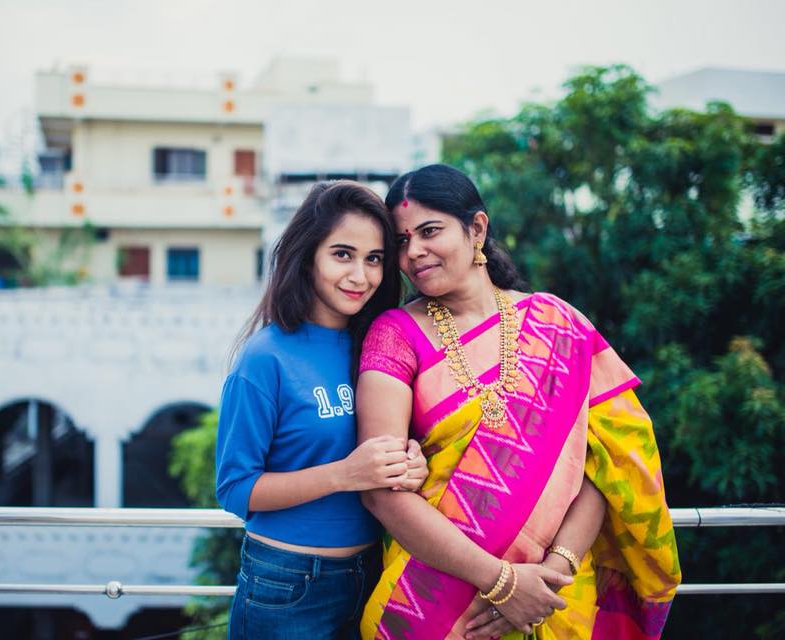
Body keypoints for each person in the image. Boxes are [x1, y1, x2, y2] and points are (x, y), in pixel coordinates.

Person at [356, 164, 682, 639]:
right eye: (402, 241)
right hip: (438, 604)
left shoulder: (558, 323)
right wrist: (504, 582)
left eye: (430, 231)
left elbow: (608, 464)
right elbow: (381, 491)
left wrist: (550, 574)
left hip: (557, 597)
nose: (414, 252)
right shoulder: (394, 336)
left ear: (477, 229)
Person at [216, 180, 429, 640]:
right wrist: (345, 475)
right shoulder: (265, 357)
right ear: (308, 254)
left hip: (371, 574)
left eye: (374, 259)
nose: (360, 276)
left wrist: (407, 463)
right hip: (286, 585)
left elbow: (382, 452)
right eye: (342, 254)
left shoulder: (379, 346)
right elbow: (235, 489)